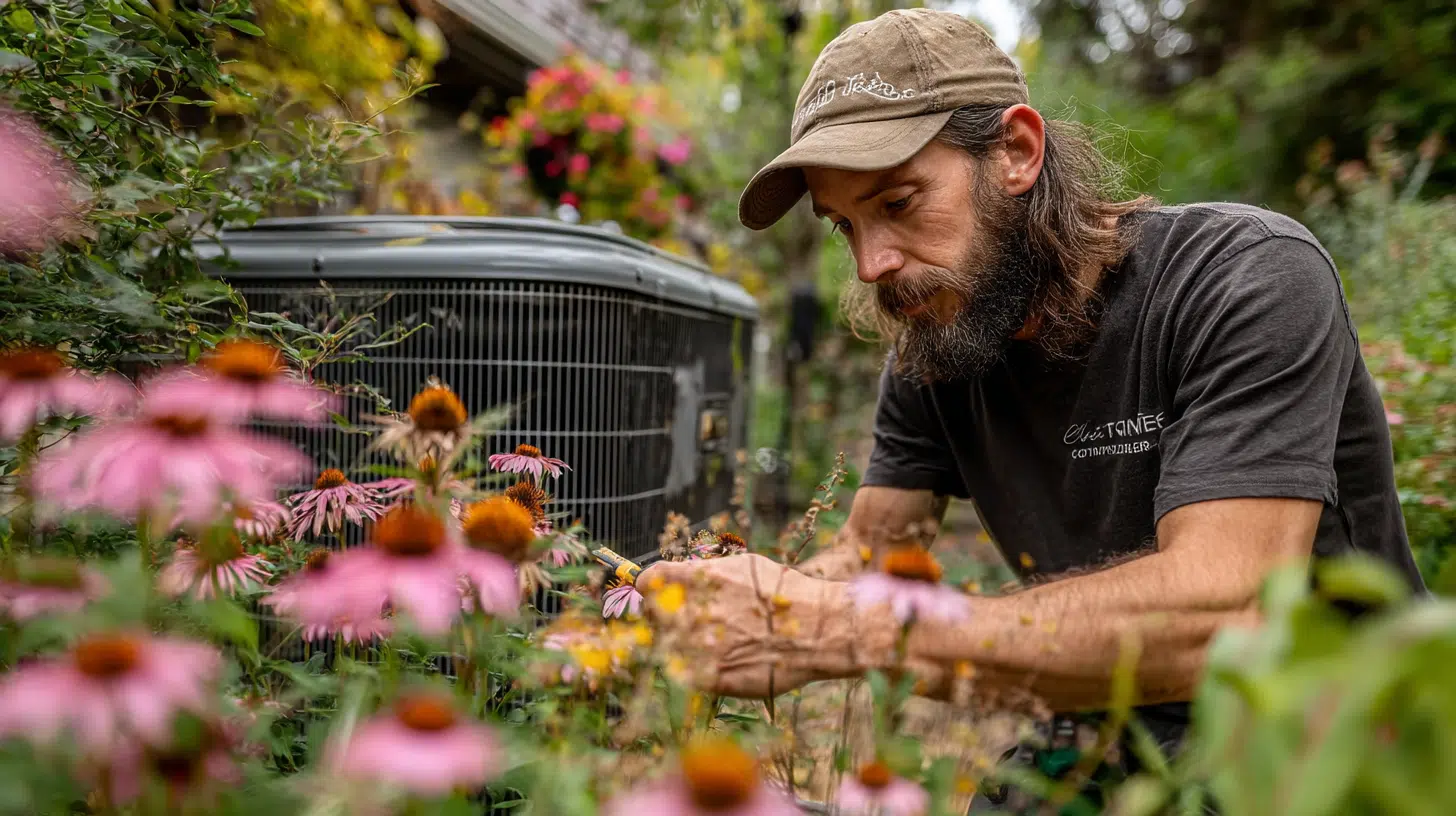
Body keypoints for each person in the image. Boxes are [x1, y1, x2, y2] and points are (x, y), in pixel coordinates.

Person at [637, 6, 1427, 811]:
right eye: (846, 225)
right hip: (1105, 735)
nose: (873, 264)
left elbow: (1229, 611)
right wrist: (736, 603)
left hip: (1332, 741)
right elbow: (871, 557)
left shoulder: (1243, 279)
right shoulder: (939, 337)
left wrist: (840, 627)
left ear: (1016, 151)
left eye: (900, 203)